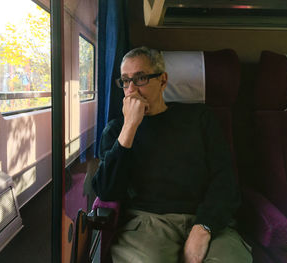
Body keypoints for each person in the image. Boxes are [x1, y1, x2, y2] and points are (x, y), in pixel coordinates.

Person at [92, 46, 252, 263]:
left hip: (207, 219)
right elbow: (107, 191)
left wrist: (204, 227)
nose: (131, 90)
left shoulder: (200, 119)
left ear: (163, 80)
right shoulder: (116, 130)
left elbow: (225, 180)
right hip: (147, 224)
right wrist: (129, 126)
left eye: (140, 78)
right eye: (125, 81)